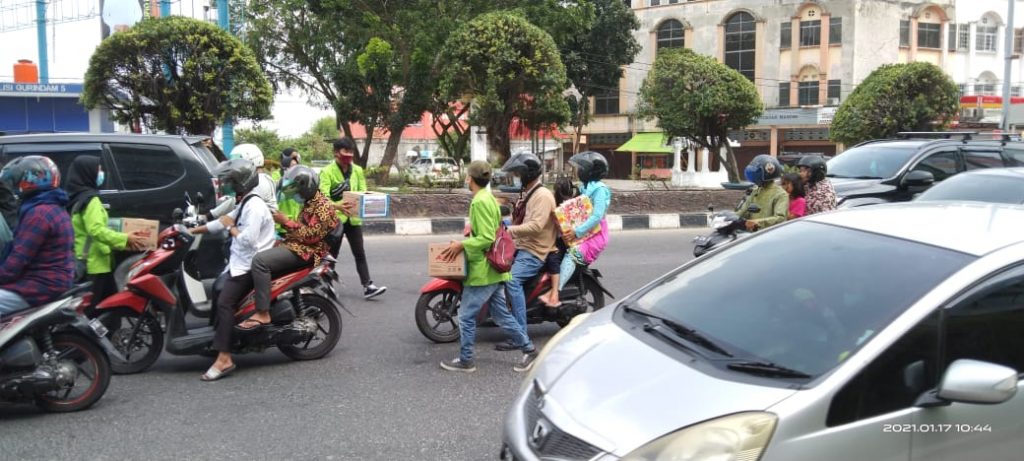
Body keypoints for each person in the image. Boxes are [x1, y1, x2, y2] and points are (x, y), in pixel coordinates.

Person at [438, 161, 534, 373]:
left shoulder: (479, 201)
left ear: (470, 179)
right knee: (501, 316)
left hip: (484, 270)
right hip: (494, 269)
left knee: (465, 316)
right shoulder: (488, 198)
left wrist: (461, 244)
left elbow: (486, 238)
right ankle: (528, 348)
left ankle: (466, 360)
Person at [189, 158, 276, 381]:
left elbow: (248, 241)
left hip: (248, 265)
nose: (226, 185)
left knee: (224, 302)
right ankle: (220, 339)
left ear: (240, 182)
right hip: (238, 262)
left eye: (229, 181)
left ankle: (225, 357)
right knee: (218, 291)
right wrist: (192, 231)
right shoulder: (244, 202)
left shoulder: (254, 206)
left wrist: (232, 227)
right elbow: (222, 221)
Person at [255, 166, 338, 327]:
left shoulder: (322, 206)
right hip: (300, 247)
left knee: (260, 262)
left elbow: (310, 237)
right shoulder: (310, 202)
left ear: (306, 187)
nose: (295, 195)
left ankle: (262, 312)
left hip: (307, 252)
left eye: (297, 190)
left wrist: (286, 222)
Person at [497, 152, 555, 372]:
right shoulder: (529, 192)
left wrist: (508, 230)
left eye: (519, 172)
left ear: (528, 173)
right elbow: (518, 218)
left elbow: (536, 226)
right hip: (522, 245)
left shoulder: (542, 196)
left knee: (511, 281)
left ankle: (519, 333)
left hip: (534, 250)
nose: (516, 176)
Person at [65, 156, 147, 311]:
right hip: (95, 264)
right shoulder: (91, 201)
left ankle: (109, 334)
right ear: (87, 173)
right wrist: (125, 239)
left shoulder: (76, 198)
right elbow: (96, 230)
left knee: (109, 307)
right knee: (96, 309)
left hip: (90, 261)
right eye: (98, 170)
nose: (101, 173)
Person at [0, 156, 75, 316]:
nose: (15, 188)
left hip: (40, 284)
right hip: (51, 280)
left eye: (17, 181)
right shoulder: (53, 207)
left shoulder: (38, 214)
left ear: (29, 181)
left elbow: (17, 260)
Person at [319, 137, 386, 300]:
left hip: (353, 220)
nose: (348, 155)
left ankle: (368, 286)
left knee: (359, 253)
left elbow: (362, 190)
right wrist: (339, 206)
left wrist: (366, 202)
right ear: (336, 152)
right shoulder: (327, 171)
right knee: (332, 255)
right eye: (345, 151)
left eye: (351, 151)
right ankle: (327, 286)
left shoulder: (357, 170)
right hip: (335, 219)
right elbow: (323, 197)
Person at [557, 152, 612, 291]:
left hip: (595, 234)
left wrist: (577, 232)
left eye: (582, 168)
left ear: (590, 171)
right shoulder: (585, 187)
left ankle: (556, 290)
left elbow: (597, 216)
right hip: (584, 231)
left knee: (572, 255)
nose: (580, 170)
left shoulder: (599, 189)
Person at [538, 177, 576, 308]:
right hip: (555, 238)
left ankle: (554, 294)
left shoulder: (573, 205)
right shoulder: (552, 203)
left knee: (552, 258)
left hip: (566, 241)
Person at [736, 154, 788, 232]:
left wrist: (758, 222)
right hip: (750, 234)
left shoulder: (780, 194)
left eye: (757, 172)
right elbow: (744, 211)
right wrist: (731, 217)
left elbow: (780, 218)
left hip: (767, 235)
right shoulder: (756, 190)